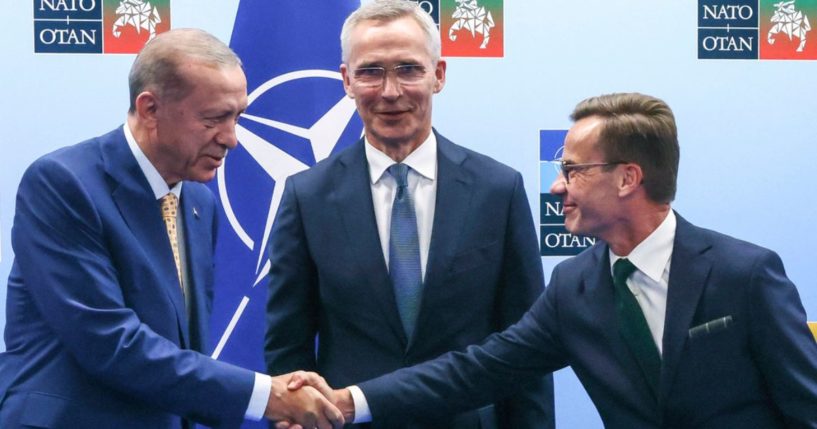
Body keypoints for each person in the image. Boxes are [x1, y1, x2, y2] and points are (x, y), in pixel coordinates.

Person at [308, 92, 817, 428]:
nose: (556, 187)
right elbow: (477, 370)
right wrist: (352, 401)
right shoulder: (574, 288)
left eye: (572, 171)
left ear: (627, 179)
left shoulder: (745, 275)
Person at [0, 28, 342, 429]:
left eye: (237, 117)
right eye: (214, 118)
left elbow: (184, 350)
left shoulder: (198, 203)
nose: (232, 139)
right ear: (149, 109)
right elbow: (109, 342)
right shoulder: (63, 184)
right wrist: (267, 397)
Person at [264, 1, 554, 428]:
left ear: (438, 75)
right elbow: (288, 348)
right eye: (370, 72)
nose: (390, 91)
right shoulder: (307, 196)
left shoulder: (498, 190)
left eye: (407, 69)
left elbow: (527, 350)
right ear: (346, 80)